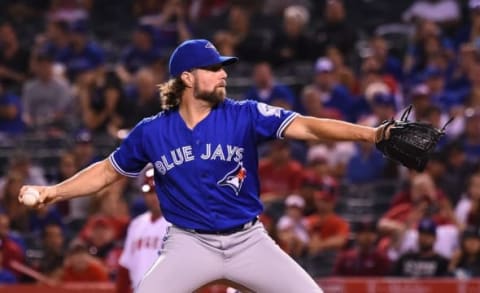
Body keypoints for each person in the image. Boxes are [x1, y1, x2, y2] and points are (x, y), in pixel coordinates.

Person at [18, 39, 390, 293]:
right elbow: (106, 171)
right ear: (187, 78)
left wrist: (371, 135)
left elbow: (307, 125)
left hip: (248, 240)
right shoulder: (152, 131)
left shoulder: (244, 114)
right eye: (213, 68)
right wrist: (53, 191)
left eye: (222, 67)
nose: (223, 74)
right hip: (189, 243)